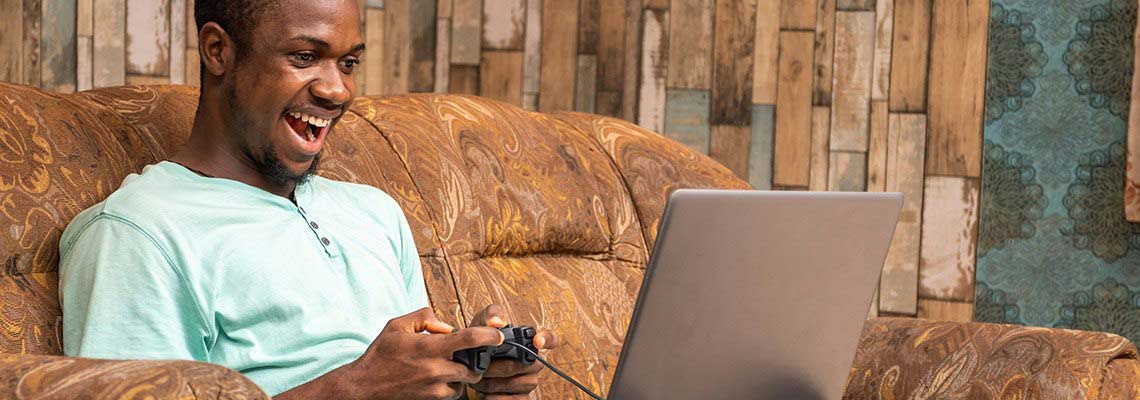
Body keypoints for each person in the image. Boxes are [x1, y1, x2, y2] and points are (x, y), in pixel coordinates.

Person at [56, 0, 558, 398]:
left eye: (349, 62)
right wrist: (353, 388)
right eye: (304, 56)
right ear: (217, 50)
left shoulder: (374, 211)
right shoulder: (138, 232)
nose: (338, 90)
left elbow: (407, 380)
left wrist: (472, 372)